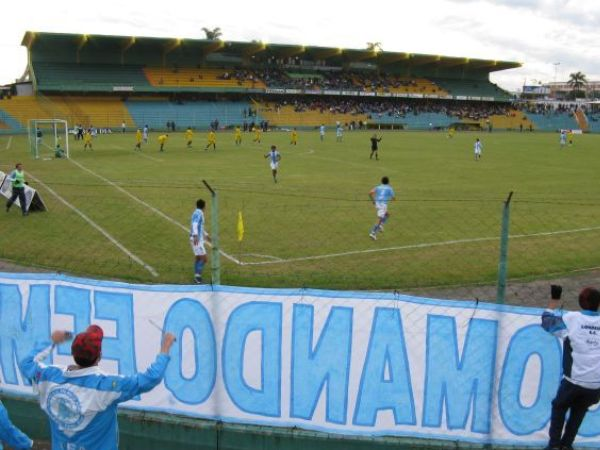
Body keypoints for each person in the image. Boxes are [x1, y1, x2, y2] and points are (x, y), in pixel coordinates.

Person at [19, 325, 175, 450]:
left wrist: (51, 341)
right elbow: (151, 378)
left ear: (73, 352)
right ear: (99, 356)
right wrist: (165, 347)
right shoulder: (106, 387)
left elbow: (26, 363)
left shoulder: (49, 376)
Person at [542, 285, 600, 450]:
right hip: (595, 384)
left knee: (559, 406)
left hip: (574, 381)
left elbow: (546, 322)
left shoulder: (572, 318)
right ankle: (567, 445)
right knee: (579, 410)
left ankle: (554, 445)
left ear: (581, 302)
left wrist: (554, 299)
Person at [368, 176, 395, 240]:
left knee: (387, 214)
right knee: (379, 219)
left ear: (381, 181)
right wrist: (392, 198)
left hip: (377, 203)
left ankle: (380, 225)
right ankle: (373, 232)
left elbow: (370, 193)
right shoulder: (389, 188)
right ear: (388, 182)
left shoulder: (378, 187)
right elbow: (393, 198)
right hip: (383, 204)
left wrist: (373, 201)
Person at [191, 199, 208, 284]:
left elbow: (200, 226)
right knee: (204, 259)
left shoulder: (196, 212)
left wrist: (206, 235)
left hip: (196, 238)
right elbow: (195, 224)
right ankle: (197, 277)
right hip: (197, 239)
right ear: (204, 206)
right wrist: (195, 235)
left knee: (198, 258)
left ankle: (197, 276)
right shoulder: (199, 213)